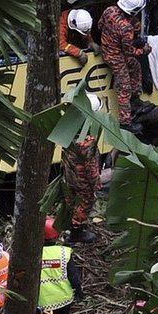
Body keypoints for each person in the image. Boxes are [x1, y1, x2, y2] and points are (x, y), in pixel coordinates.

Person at [99, 0, 151, 131]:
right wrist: (145, 50)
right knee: (124, 87)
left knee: (135, 67)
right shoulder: (126, 28)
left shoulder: (109, 10)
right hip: (116, 57)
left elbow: (100, 25)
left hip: (109, 49)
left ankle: (134, 100)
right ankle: (125, 122)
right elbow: (130, 51)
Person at [62, 94, 104, 243]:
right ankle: (77, 232)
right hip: (82, 178)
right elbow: (91, 166)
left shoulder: (68, 129)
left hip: (69, 174)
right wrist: (96, 183)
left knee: (71, 200)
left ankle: (68, 225)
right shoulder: (87, 141)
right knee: (85, 202)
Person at [39, 218, 83, 314]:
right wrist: (79, 291)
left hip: (42, 298)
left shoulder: (34, 252)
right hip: (63, 296)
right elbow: (73, 276)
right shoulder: (64, 252)